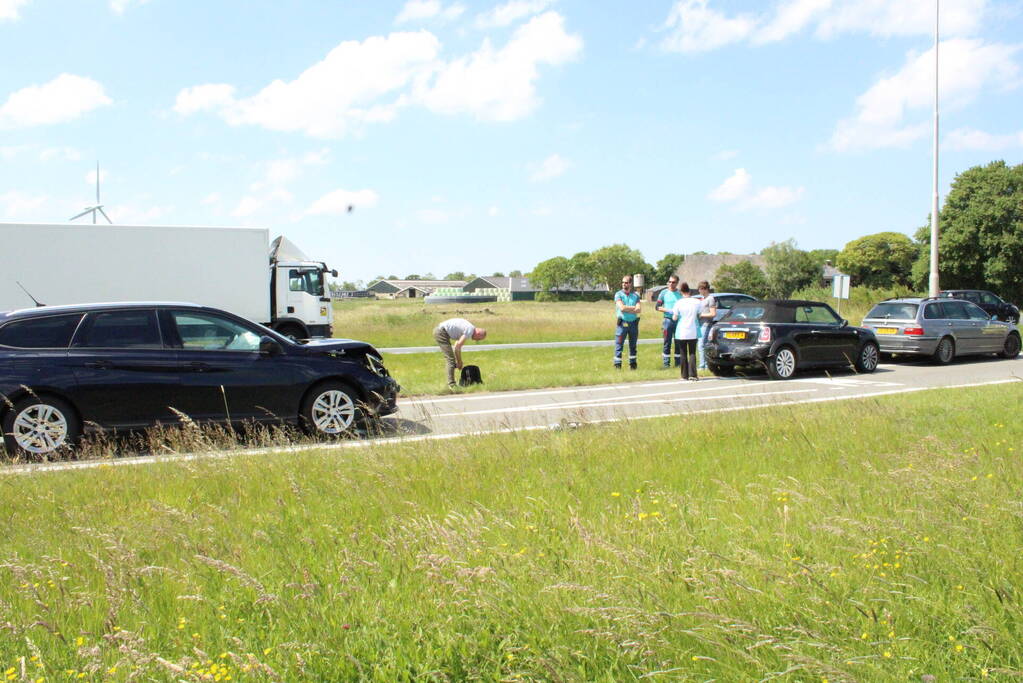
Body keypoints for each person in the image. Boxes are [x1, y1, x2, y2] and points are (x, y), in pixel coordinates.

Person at [433, 318, 487, 388]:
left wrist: (458, 362)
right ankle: (451, 385)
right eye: (479, 339)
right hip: (441, 332)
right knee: (450, 360)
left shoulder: (469, 328)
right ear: (479, 334)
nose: (477, 340)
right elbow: (457, 347)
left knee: (451, 360)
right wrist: (459, 361)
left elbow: (456, 345)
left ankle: (452, 380)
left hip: (441, 331)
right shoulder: (469, 330)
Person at [671, 282, 702, 380]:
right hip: (693, 330)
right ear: (690, 291)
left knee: (683, 353)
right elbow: (699, 315)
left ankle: (684, 375)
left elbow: (674, 318)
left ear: (681, 292)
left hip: (682, 331)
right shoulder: (697, 302)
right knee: (692, 352)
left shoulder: (679, 302)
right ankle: (693, 374)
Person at [613, 275, 641, 370]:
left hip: (633, 323)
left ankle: (633, 365)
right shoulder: (618, 294)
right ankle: (617, 365)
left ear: (630, 284)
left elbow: (639, 310)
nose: (624, 284)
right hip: (622, 323)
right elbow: (622, 308)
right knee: (619, 344)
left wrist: (627, 308)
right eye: (623, 282)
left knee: (633, 345)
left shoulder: (636, 296)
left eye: (626, 282)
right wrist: (633, 308)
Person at [655, 275, 682, 368]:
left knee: (678, 342)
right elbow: (657, 307)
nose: (671, 284)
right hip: (667, 320)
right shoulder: (663, 293)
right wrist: (669, 310)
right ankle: (666, 364)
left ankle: (678, 364)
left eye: (673, 282)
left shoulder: (680, 293)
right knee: (667, 342)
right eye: (669, 282)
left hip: (679, 321)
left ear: (677, 283)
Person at [696, 280, 717, 369]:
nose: (699, 291)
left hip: (706, 324)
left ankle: (702, 366)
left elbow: (713, 314)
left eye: (700, 289)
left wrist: (701, 315)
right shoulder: (702, 299)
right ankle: (705, 365)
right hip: (700, 324)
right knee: (701, 345)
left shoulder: (710, 298)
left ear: (705, 289)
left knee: (701, 345)